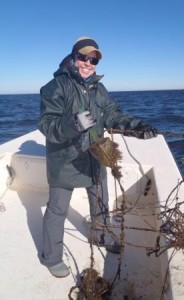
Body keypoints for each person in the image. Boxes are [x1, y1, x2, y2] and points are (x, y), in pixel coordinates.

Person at [38, 36, 157, 278]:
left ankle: (100, 234)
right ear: (73, 57)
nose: (88, 63)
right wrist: (74, 123)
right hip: (65, 161)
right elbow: (47, 126)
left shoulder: (98, 89)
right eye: (83, 57)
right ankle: (51, 257)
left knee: (101, 203)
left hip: (95, 157)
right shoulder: (55, 87)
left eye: (93, 60)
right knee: (57, 210)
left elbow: (113, 115)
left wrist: (137, 128)